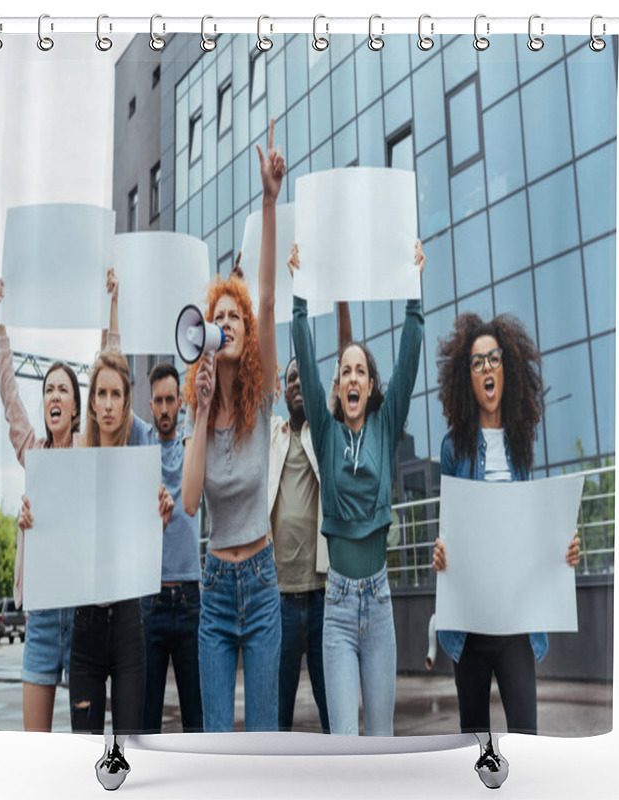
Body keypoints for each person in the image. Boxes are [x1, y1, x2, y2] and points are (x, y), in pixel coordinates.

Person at [18, 345, 174, 789]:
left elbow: (145, 541)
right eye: (100, 394)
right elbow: (51, 523)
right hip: (84, 629)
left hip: (127, 624)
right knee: (85, 763)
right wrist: (31, 517)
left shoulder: (139, 464)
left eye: (115, 395)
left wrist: (158, 516)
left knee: (125, 766)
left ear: (127, 403)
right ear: (91, 402)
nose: (107, 404)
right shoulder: (72, 458)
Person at [289, 240, 426, 736]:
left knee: (382, 740)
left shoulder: (386, 426)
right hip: (339, 609)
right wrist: (300, 298)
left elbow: (409, 361)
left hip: (381, 605)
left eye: (360, 371)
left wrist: (413, 292)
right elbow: (305, 360)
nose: (351, 376)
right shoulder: (325, 435)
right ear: (339, 385)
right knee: (344, 742)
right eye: (344, 370)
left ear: (370, 386)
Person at [431, 313, 581, 741]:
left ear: (506, 368)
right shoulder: (452, 449)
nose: (486, 368)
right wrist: (441, 554)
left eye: (493, 358)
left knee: (526, 740)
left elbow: (532, 531)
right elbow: (452, 532)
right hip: (471, 627)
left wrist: (562, 551)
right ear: (468, 378)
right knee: (473, 747)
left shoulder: (520, 444)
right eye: (477, 363)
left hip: (516, 626)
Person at [181, 118, 285, 733]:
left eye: (232, 316)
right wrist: (197, 415)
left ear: (242, 336)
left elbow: (267, 298)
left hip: (263, 584)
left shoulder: (261, 397)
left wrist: (269, 202)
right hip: (216, 590)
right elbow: (190, 502)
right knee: (218, 738)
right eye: (215, 315)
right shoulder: (205, 407)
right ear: (205, 333)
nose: (224, 321)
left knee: (265, 739)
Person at [0, 271, 117, 733]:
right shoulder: (33, 454)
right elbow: (8, 397)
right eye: (48, 390)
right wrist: (1, 324)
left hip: (83, 617)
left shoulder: (89, 450)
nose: (53, 395)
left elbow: (110, 369)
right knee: (36, 754)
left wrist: (110, 311)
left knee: (82, 749)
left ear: (77, 406)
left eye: (63, 388)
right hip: (43, 619)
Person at [268, 303, 351, 733]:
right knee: (277, 715)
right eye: (291, 378)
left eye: (304, 377)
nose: (297, 383)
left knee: (332, 713)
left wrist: (340, 303)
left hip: (322, 598)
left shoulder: (324, 430)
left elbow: (344, 360)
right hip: (279, 600)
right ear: (283, 391)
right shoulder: (273, 434)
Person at [130, 362, 203, 734]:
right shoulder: (141, 437)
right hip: (151, 600)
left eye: (169, 400)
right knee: (147, 721)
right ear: (149, 402)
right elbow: (112, 375)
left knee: (196, 718)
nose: (163, 408)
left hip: (190, 599)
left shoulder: (192, 441)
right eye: (157, 400)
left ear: (179, 404)